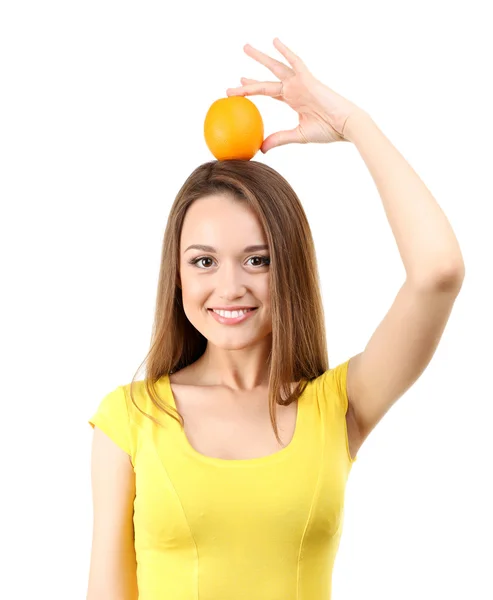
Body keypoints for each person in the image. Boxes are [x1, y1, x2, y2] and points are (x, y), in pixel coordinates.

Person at [86, 38, 465, 600]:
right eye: (204, 261)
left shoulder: (339, 407)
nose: (230, 286)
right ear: (179, 276)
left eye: (257, 259)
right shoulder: (131, 417)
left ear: (289, 267)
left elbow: (439, 270)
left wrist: (352, 123)